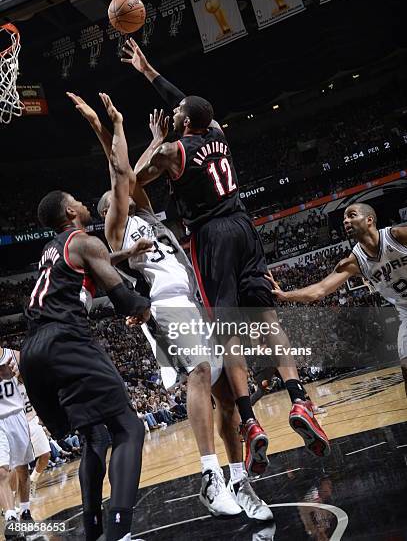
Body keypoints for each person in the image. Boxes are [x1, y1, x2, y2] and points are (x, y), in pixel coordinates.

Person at [121, 38, 330, 464]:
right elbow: (188, 102)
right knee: (268, 317)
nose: (174, 113)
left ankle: (250, 419)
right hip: (243, 225)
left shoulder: (172, 152)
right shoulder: (216, 133)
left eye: (178, 116)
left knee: (229, 330)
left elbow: (133, 180)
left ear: (184, 123)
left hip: (211, 236)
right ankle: (299, 399)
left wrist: (155, 139)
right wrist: (147, 70)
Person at [67, 91, 273, 520]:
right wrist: (107, 126)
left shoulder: (148, 215)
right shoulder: (116, 225)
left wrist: (150, 140)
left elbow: (134, 176)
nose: (123, 193)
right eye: (117, 194)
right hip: (164, 306)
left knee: (229, 397)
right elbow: (121, 170)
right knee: (199, 372)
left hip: (195, 299)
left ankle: (238, 479)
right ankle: (208, 474)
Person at [18, 190, 151, 541]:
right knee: (129, 429)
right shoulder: (83, 240)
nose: (84, 203)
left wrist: (127, 253)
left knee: (95, 436)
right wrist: (145, 306)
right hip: (65, 339)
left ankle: (93, 530)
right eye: (77, 200)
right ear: (69, 210)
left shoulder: (55, 250)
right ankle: (120, 531)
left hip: (33, 351)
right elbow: (123, 299)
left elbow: (98, 260)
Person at [267, 202, 407, 396]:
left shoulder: (396, 236)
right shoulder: (353, 261)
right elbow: (319, 290)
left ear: (369, 220)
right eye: (344, 219)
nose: (346, 221)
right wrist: (285, 295)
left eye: (351, 215)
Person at [0, 347, 34, 540]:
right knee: (2, 471)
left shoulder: (15, 355)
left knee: (22, 468)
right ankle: (10, 517)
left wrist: (21, 373)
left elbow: (33, 380)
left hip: (17, 416)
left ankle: (25, 510)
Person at [17, 383, 51, 497]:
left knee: (46, 455)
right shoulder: (7, 383)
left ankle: (33, 479)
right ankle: (10, 499)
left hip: (33, 420)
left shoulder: (27, 378)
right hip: (18, 424)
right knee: (19, 465)